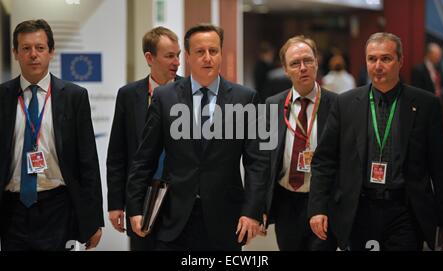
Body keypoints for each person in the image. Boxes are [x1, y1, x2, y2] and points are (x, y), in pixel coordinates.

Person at [126, 24, 267, 251]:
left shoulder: (245, 99)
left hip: (225, 219)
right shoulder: (165, 97)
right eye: (200, 52)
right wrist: (133, 207)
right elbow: (144, 158)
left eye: (214, 51)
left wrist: (252, 211)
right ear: (188, 57)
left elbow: (257, 163)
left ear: (221, 54)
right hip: (173, 218)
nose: (207, 58)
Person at [308, 32, 443, 251]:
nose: (378, 65)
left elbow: (441, 167)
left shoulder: (425, 104)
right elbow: (324, 160)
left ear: (400, 61)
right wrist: (317, 208)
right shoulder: (345, 104)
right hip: (359, 209)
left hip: (406, 212)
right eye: (372, 59)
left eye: (386, 58)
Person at [0, 19, 103, 250]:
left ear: (51, 52)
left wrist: (94, 219)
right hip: (11, 211)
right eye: (26, 48)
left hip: (58, 207)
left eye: (40, 48)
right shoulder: (2, 96)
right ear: (15, 53)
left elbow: (88, 162)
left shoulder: (74, 96)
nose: (33, 55)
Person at [107, 27, 181, 251]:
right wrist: (115, 204)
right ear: (150, 58)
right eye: (169, 56)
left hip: (181, 200)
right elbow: (117, 154)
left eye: (178, 55)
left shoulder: (189, 93)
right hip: (142, 199)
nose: (176, 62)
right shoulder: (128, 95)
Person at [264, 36, 337, 251]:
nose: (302, 68)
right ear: (285, 69)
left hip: (322, 201)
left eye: (308, 60)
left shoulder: (338, 105)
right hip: (286, 202)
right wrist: (261, 204)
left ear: (317, 62)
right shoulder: (272, 105)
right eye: (295, 63)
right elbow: (263, 161)